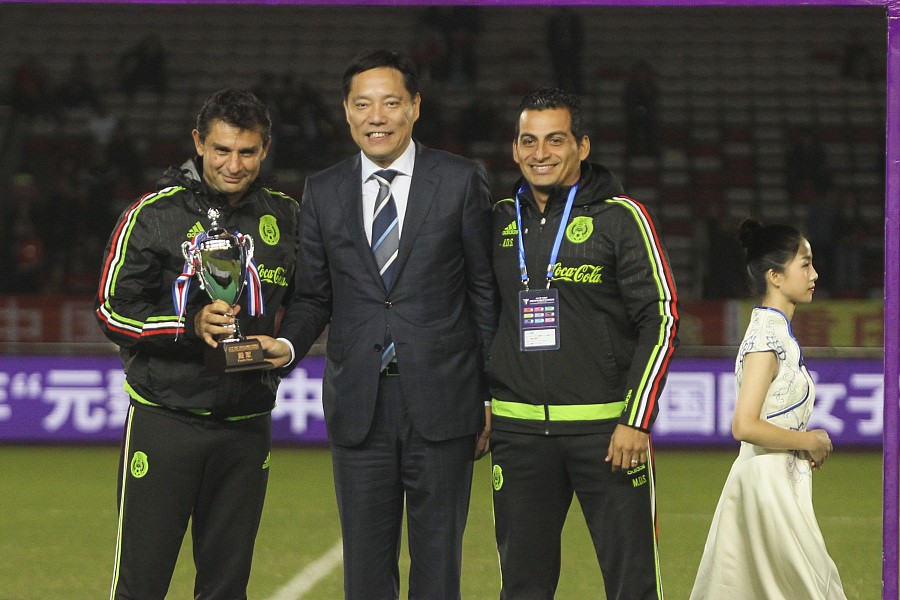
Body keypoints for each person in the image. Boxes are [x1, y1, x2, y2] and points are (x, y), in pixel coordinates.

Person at [255, 49, 498, 600]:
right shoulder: (323, 189)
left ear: (415, 107)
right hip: (359, 404)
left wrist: (490, 393)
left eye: (391, 102)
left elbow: (483, 293)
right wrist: (287, 345)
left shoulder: (461, 180)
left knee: (438, 569)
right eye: (363, 104)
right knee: (364, 573)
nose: (377, 117)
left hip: (445, 402)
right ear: (346, 111)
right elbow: (313, 296)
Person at [95, 88, 300, 600]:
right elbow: (111, 309)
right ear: (198, 143)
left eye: (247, 152)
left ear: (265, 149)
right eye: (222, 150)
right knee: (141, 585)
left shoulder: (287, 217)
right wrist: (188, 327)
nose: (234, 164)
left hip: (247, 424)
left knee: (226, 588)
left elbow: (313, 298)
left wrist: (288, 343)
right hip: (167, 419)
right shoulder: (153, 214)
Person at [487, 87, 678, 600]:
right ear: (514, 149)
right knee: (522, 588)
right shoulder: (499, 218)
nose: (540, 153)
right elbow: (480, 317)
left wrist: (636, 419)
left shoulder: (621, 217)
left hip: (608, 436)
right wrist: (484, 401)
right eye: (529, 141)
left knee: (633, 587)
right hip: (518, 433)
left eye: (555, 140)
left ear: (582, 146)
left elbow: (661, 319)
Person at [689, 220, 846, 600]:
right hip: (766, 485)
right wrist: (809, 440)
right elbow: (744, 425)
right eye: (805, 264)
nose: (814, 274)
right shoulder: (765, 338)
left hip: (778, 481)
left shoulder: (776, 333)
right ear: (775, 276)